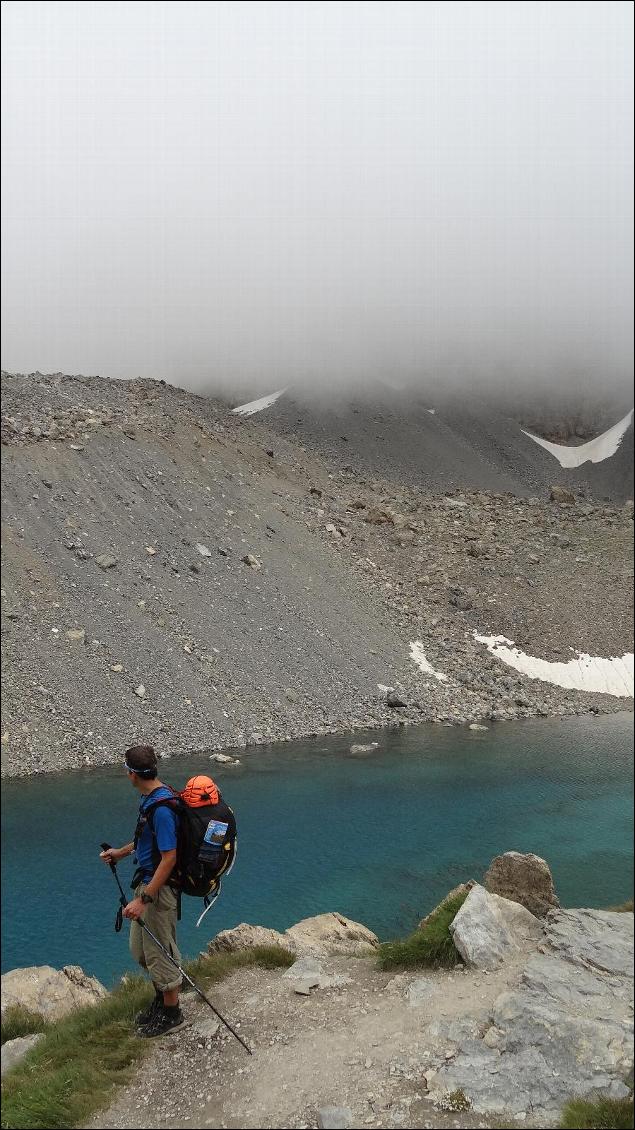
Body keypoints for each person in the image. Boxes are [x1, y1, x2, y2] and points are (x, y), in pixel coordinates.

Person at [99, 744, 184, 1037]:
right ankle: (162, 1000)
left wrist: (145, 899)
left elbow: (169, 858)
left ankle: (172, 1013)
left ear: (133, 774)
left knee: (160, 950)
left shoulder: (161, 809)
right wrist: (120, 853)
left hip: (157, 891)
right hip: (146, 884)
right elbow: (148, 841)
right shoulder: (152, 799)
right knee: (141, 952)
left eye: (126, 770)